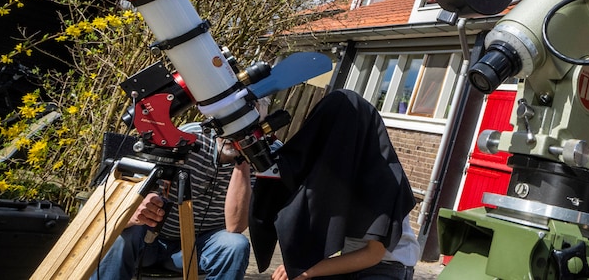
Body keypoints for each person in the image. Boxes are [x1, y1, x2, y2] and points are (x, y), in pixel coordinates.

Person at [251, 88, 417, 280]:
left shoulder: (385, 179)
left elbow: (373, 255)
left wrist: (305, 270)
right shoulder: (331, 172)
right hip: (350, 263)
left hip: (387, 267)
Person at [91, 123, 251, 280]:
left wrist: (243, 160)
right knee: (121, 235)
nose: (235, 134)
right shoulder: (189, 137)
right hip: (147, 241)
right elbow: (116, 209)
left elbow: (235, 227)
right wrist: (136, 211)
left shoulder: (257, 158)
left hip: (196, 248)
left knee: (235, 245)